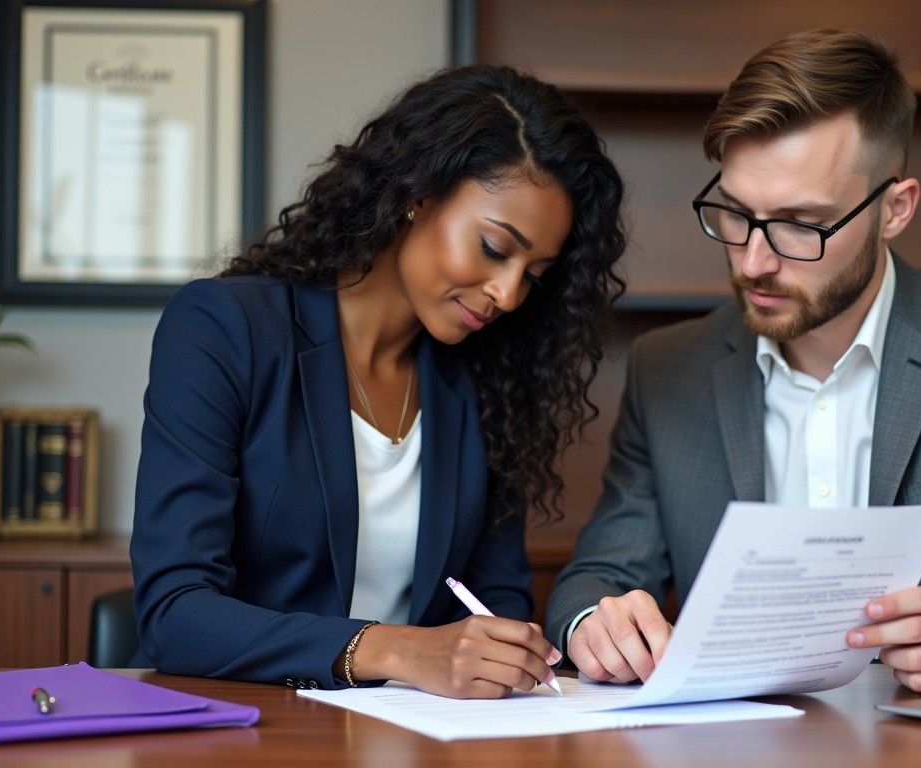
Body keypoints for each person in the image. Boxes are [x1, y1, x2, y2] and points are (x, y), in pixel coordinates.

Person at [546, 28, 921, 695]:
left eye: (802, 223)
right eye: (736, 214)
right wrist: (597, 621)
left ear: (894, 209)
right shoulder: (667, 369)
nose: (754, 262)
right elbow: (595, 581)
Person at [130, 65, 626, 698]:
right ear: (418, 195)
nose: (506, 293)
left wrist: (503, 654)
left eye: (534, 274)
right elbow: (175, 614)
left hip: (412, 734)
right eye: (496, 248)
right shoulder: (225, 329)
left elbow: (493, 598)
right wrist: (396, 649)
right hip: (241, 723)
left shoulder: (491, 384)